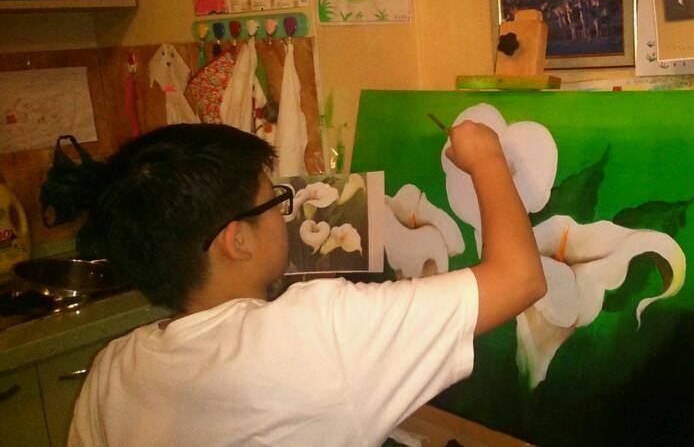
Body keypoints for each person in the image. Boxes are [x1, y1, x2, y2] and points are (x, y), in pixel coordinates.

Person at [68, 122, 546, 446]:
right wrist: (486, 156)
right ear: (237, 241)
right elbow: (520, 277)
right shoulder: (316, 332)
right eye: (273, 201)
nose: (285, 214)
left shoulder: (112, 369)